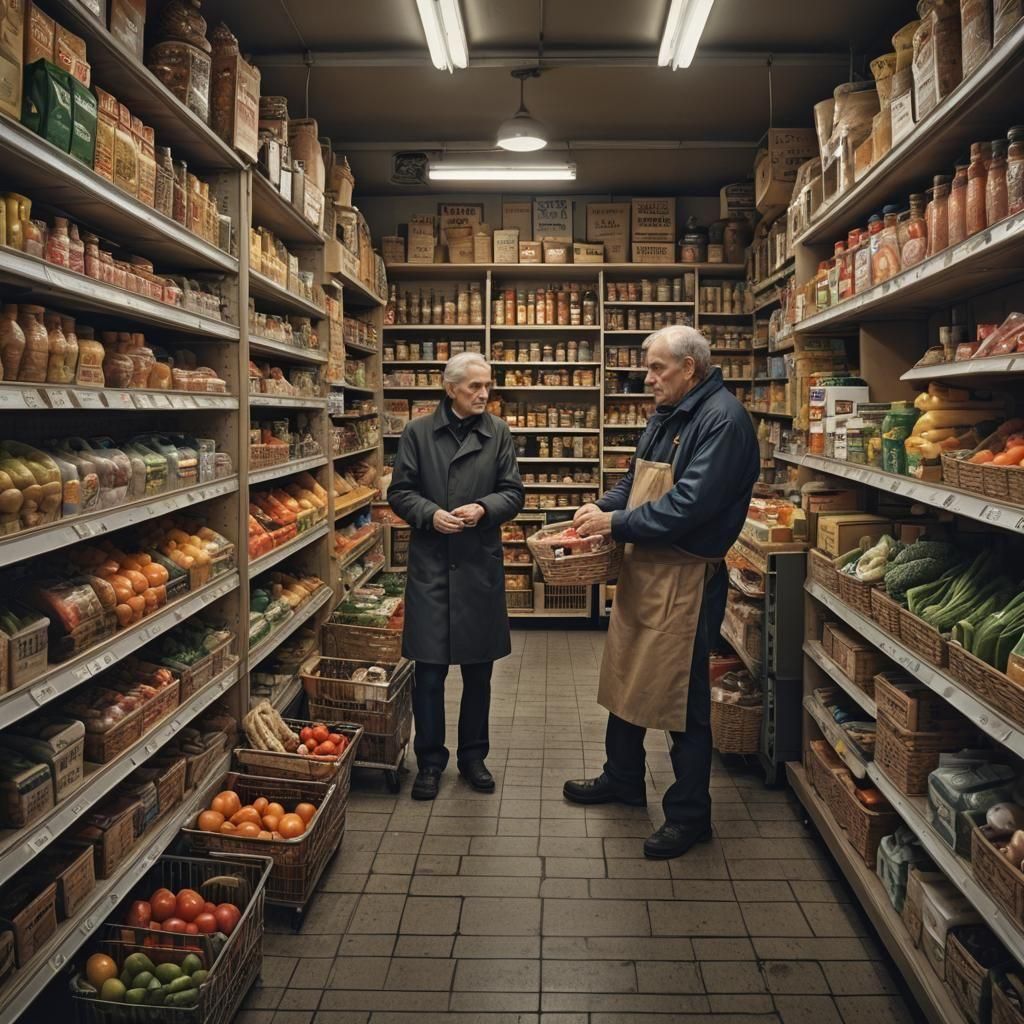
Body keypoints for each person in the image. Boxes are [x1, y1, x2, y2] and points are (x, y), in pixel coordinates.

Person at [562, 325, 759, 859]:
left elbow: (688, 506)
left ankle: (691, 815)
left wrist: (618, 524)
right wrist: (603, 508)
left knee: (682, 696)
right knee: (626, 674)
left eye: (656, 369)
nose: (647, 379)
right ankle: (623, 778)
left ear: (689, 368)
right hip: (649, 570)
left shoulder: (723, 420)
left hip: (686, 577)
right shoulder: (667, 413)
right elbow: (635, 479)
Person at [388, 352, 525, 801]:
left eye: (487, 385)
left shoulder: (498, 433)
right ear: (450, 389)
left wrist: (485, 508)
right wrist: (430, 515)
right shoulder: (418, 433)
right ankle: (430, 762)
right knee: (428, 674)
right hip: (431, 566)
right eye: (474, 387)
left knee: (478, 674)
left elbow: (513, 492)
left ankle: (473, 758)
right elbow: (400, 492)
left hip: (477, 564)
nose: (484, 394)